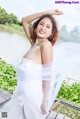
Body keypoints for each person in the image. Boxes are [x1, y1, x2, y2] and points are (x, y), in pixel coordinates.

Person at [0, 9, 63, 119]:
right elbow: (25, 20)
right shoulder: (34, 43)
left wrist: (44, 101)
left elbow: (47, 75)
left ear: (51, 33)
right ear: (36, 26)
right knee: (5, 114)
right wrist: (48, 12)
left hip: (33, 97)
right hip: (20, 92)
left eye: (48, 27)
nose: (43, 28)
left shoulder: (46, 45)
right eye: (41, 24)